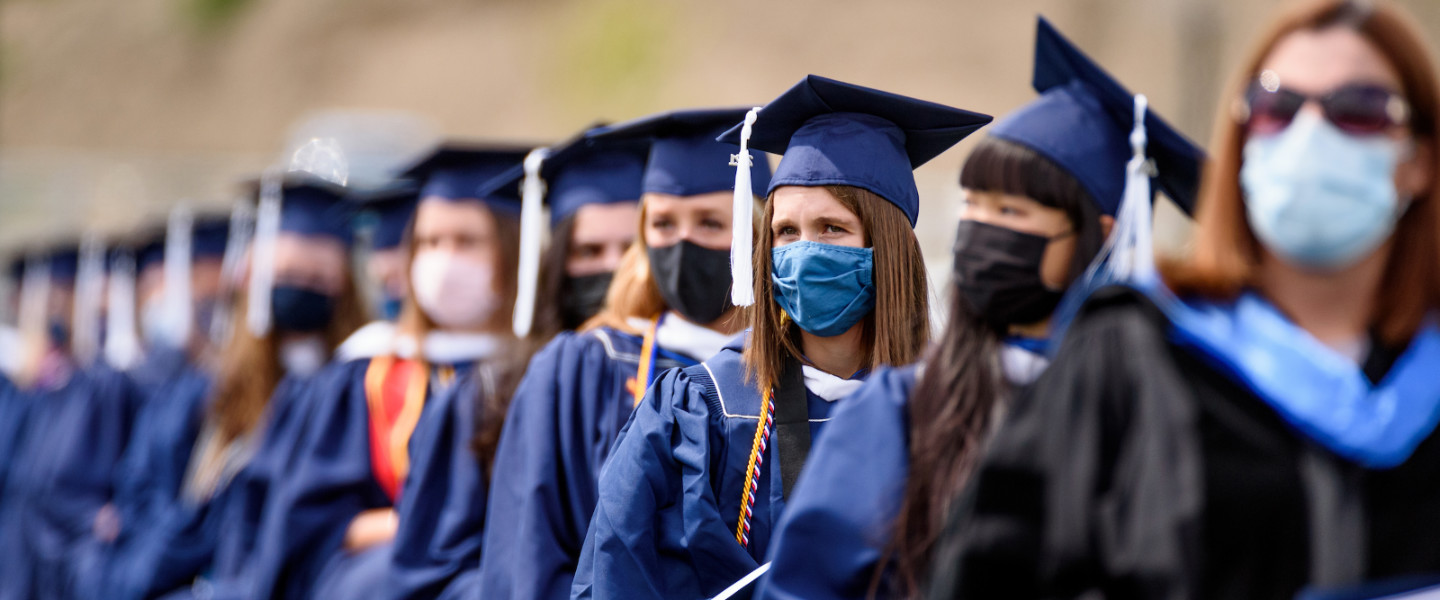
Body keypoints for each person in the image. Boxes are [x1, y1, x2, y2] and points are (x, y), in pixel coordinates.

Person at [928, 1, 1440, 598]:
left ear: (1419, 161)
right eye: (1275, 107)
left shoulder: (1424, 375)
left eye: (1359, 111)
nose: (1310, 135)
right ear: (1242, 142)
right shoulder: (1129, 356)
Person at [756, 17, 1206, 600]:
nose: (980, 231)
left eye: (1010, 212)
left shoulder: (1182, 415)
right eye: (973, 206)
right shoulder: (905, 410)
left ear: (1101, 237)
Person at [572, 77, 991, 600]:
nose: (804, 252)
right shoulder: (699, 408)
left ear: (886, 249)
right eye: (786, 232)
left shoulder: (953, 409)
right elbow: (617, 575)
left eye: (831, 228)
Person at [471, 109, 768, 600]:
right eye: (663, 223)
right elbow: (531, 554)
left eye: (711, 223)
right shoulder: (583, 366)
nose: (683, 243)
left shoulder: (791, 373)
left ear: (755, 232)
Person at [247, 145, 529, 600]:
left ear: (515, 251)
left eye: (467, 241)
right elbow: (313, 524)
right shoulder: (369, 375)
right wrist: (425, 526)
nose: (445, 260)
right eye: (430, 242)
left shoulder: (553, 370)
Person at [378, 127, 650, 600]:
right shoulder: (487, 394)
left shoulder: (688, 385)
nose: (611, 268)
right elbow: (434, 569)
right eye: (588, 251)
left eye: (628, 249)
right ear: (557, 262)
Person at [96, 173, 366, 600]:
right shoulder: (207, 395)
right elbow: (158, 508)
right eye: (287, 275)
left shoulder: (357, 382)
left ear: (343, 286)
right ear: (252, 280)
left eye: (318, 279)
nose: (301, 289)